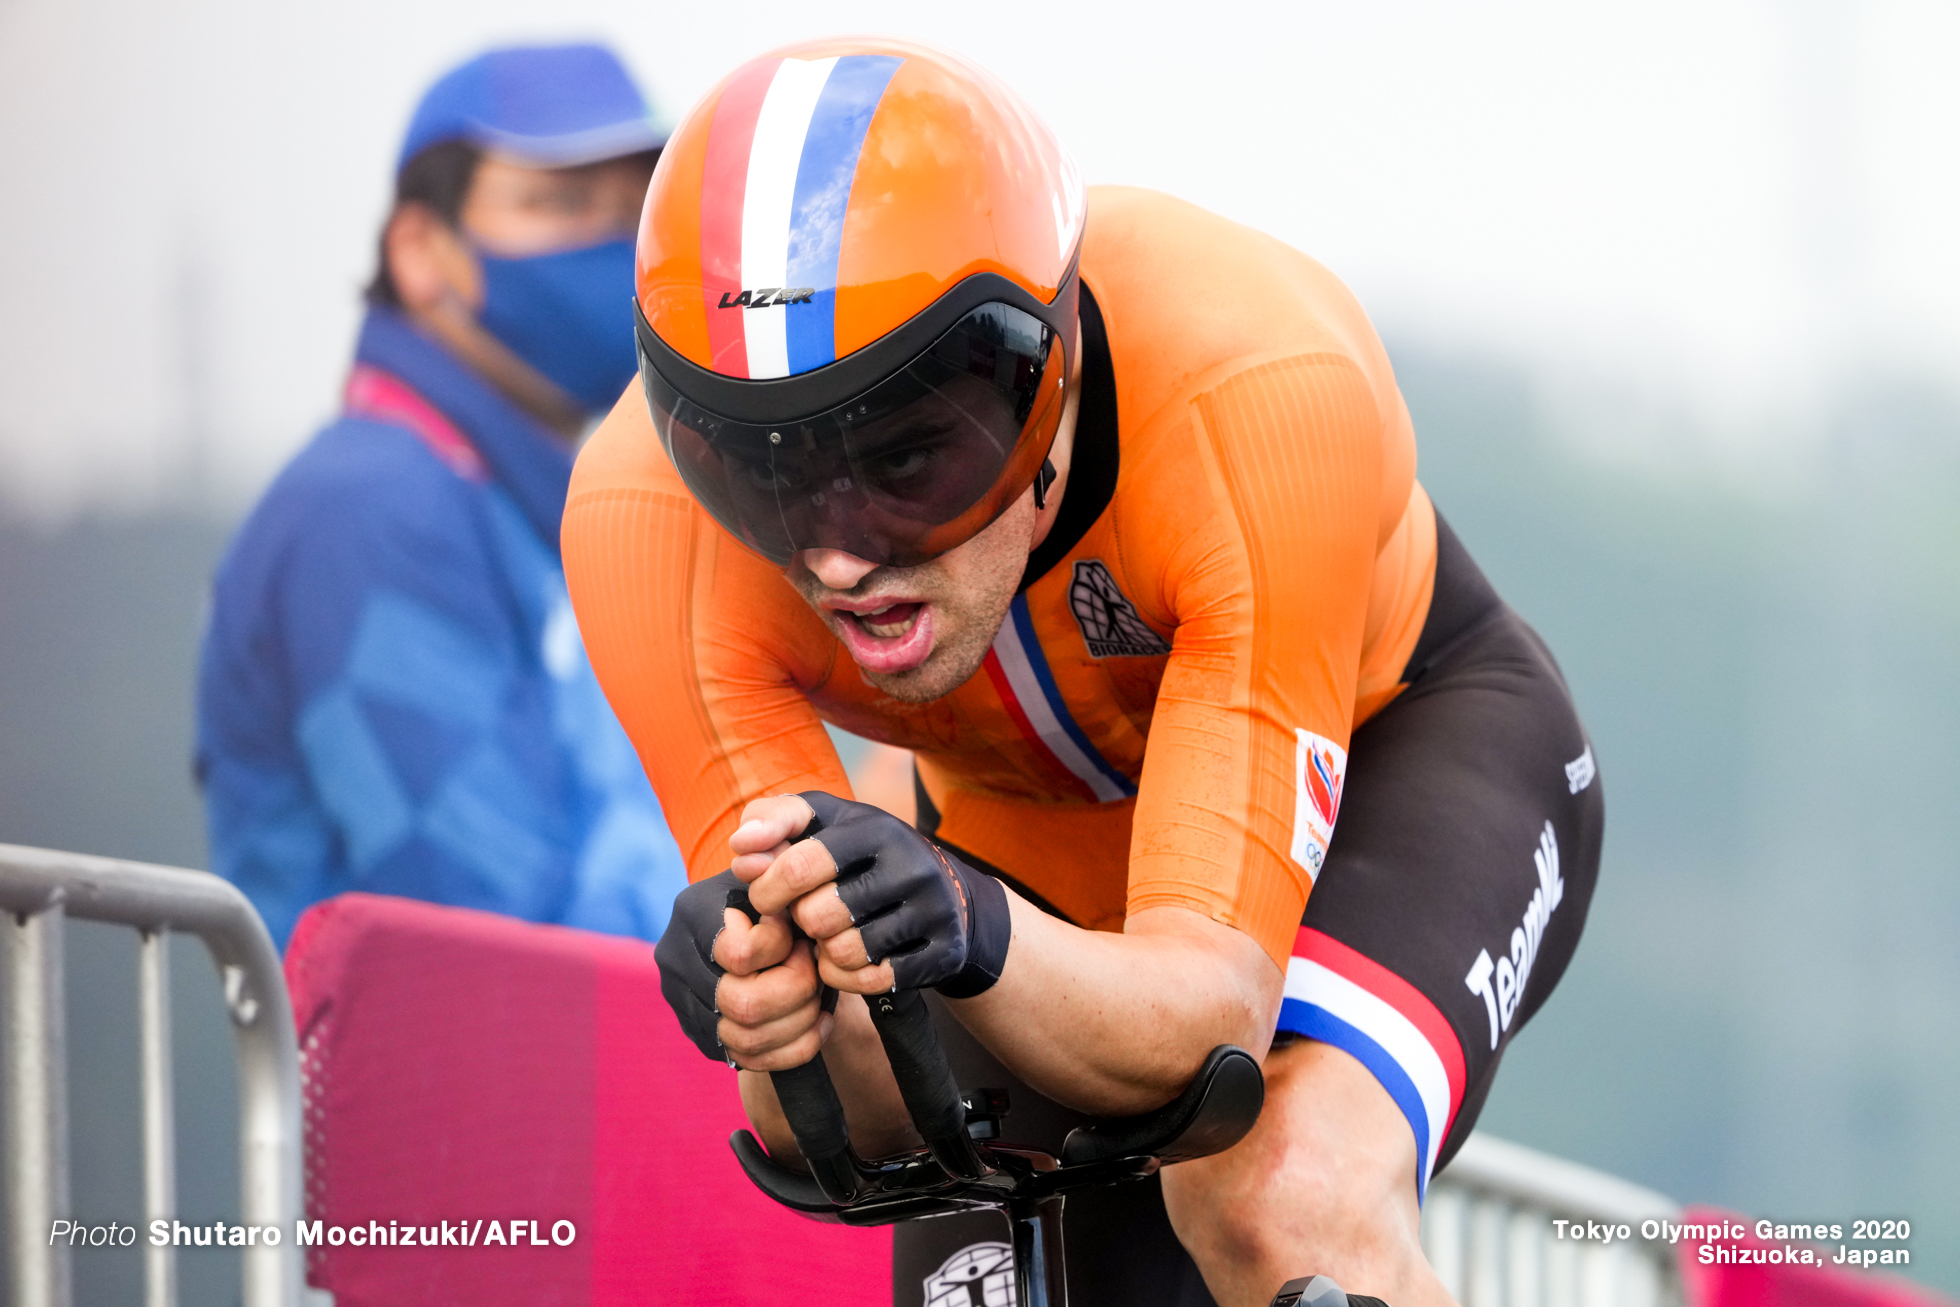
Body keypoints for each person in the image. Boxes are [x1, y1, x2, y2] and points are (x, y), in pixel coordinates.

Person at [563, 38, 1602, 1307]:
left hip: (1400, 745)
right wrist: (770, 1010)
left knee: (1278, 1196)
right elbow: (839, 1122)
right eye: (763, 477)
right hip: (1018, 832)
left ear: (1042, 374)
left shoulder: (1253, 384)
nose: (838, 556)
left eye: (909, 463)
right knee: (982, 1274)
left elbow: (1203, 1022)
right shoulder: (641, 523)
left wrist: (969, 925)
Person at [196, 44, 688, 950]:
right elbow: (496, 929)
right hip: (435, 1085)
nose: (613, 246)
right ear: (422, 251)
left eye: (634, 211)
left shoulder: (527, 501)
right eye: (562, 202)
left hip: (579, 1071)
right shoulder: (372, 512)